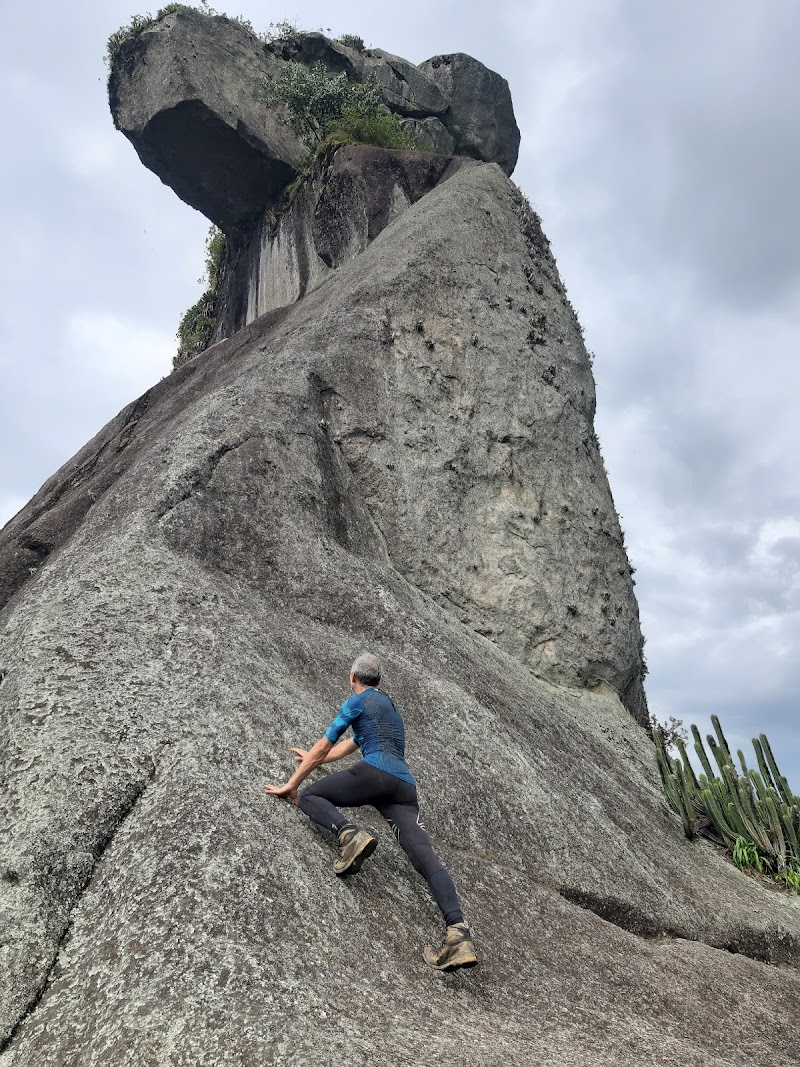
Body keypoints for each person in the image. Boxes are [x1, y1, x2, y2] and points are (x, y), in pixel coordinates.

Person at [265, 653, 479, 972]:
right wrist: (312, 757)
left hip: (374, 774)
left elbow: (328, 743)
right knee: (427, 860)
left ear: (353, 678)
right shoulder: (389, 708)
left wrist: (291, 783)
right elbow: (350, 745)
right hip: (402, 788)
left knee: (309, 795)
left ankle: (349, 835)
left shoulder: (358, 701)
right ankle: (458, 934)